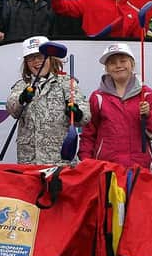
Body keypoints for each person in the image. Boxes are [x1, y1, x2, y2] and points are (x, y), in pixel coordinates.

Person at [79, 43, 152, 170]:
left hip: (140, 168)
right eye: (112, 63)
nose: (118, 65)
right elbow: (88, 134)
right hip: (106, 168)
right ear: (107, 68)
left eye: (123, 61)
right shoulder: (97, 97)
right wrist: (86, 162)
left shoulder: (147, 94)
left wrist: (148, 116)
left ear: (132, 64)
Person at [6, 36, 90, 164]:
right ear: (26, 63)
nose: (36, 61)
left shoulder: (66, 82)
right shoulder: (21, 85)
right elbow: (12, 109)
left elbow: (85, 116)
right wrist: (21, 99)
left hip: (59, 161)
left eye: (40, 56)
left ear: (51, 58)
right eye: (31, 58)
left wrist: (77, 113)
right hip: (29, 161)